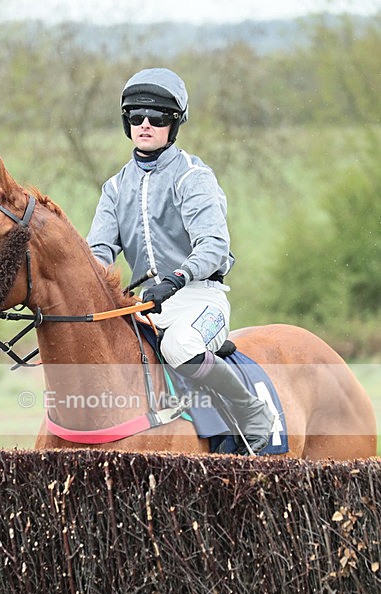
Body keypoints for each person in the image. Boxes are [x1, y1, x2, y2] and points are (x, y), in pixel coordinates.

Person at [86, 67, 274, 454]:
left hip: (199, 298)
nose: (145, 125)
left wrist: (176, 277)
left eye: (157, 118)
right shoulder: (115, 187)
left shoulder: (194, 177)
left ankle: (253, 414)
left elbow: (214, 245)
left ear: (174, 125)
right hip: (147, 307)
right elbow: (98, 252)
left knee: (179, 347)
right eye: (136, 117)